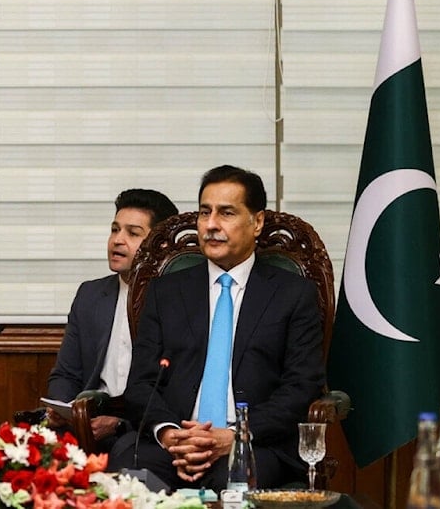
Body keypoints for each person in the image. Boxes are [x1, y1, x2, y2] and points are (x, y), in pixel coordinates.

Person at [108, 165, 324, 491]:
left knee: (235, 481)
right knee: (128, 474)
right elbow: (142, 384)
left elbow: (299, 388)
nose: (210, 225)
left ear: (257, 222)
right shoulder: (165, 291)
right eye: (204, 212)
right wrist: (170, 434)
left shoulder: (293, 294)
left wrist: (235, 436)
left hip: (254, 444)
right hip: (173, 446)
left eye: (226, 213)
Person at [46, 189, 178, 450]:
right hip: (86, 419)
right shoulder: (90, 294)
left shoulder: (176, 301)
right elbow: (65, 374)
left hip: (141, 427)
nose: (117, 240)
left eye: (133, 233)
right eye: (114, 229)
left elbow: (173, 392)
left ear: (160, 244)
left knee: (125, 449)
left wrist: (119, 422)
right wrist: (64, 411)